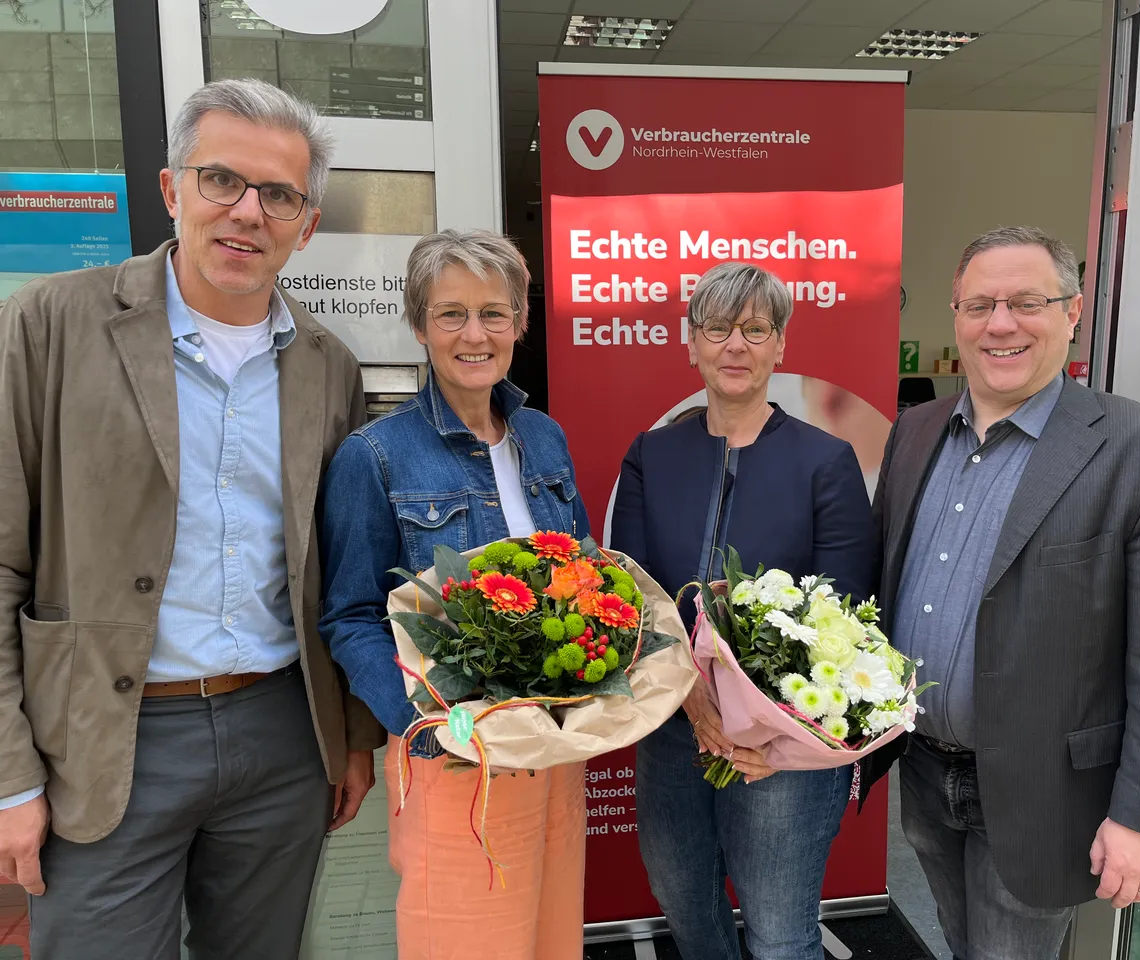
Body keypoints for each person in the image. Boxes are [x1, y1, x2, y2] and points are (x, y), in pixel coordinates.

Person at [0, 78, 382, 958]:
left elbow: (344, 570)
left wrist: (352, 740)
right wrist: (11, 777)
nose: (247, 212)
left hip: (283, 736)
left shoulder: (328, 366)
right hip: (103, 743)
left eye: (278, 195)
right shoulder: (50, 326)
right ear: (174, 190)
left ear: (306, 224)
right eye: (222, 181)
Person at [873, 226, 1140, 960]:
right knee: (959, 943)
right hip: (925, 771)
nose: (1000, 324)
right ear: (956, 316)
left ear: (1072, 312)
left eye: (1026, 302)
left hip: (1049, 793)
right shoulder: (914, 431)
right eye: (979, 305)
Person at [319, 229, 591, 960]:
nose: (476, 334)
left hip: (559, 755)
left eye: (494, 314)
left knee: (552, 939)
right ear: (419, 326)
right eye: (451, 314)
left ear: (519, 324)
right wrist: (425, 721)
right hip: (457, 760)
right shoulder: (373, 456)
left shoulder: (545, 438)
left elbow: (590, 578)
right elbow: (349, 617)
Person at [609, 262, 878, 960]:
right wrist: (697, 703)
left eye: (756, 329)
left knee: (781, 932)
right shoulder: (653, 455)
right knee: (684, 901)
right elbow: (631, 591)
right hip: (674, 726)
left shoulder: (827, 460)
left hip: (782, 740)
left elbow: (842, 611)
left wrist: (766, 722)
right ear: (691, 341)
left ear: (780, 345)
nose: (737, 345)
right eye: (719, 328)